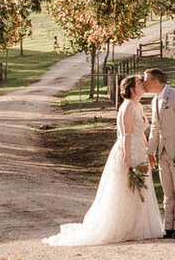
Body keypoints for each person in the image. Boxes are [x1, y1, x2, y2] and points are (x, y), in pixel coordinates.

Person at [45, 77, 165, 246]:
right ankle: (123, 227)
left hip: (140, 150)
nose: (143, 85)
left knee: (140, 188)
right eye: (139, 83)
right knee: (125, 188)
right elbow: (126, 134)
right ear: (131, 89)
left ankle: (138, 226)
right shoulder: (128, 106)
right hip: (128, 149)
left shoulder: (138, 105)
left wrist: (148, 152)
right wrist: (127, 156)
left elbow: (141, 133)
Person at [143, 67, 175, 239]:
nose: (144, 83)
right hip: (163, 152)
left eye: (146, 80)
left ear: (156, 81)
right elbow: (154, 127)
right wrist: (150, 151)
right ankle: (168, 226)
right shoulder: (154, 100)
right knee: (168, 192)